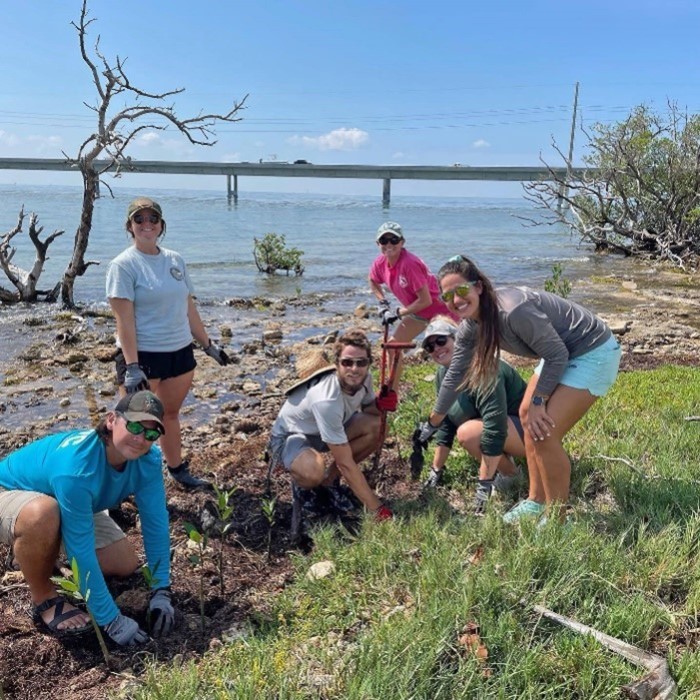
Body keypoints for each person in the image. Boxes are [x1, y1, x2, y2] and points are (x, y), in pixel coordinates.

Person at [419, 255, 621, 523]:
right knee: (527, 417)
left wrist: (539, 401)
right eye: (447, 297)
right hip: (557, 353)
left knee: (543, 432)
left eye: (461, 290)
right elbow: (455, 373)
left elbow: (557, 355)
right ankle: (536, 501)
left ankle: (557, 520)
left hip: (592, 352)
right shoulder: (471, 326)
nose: (456, 301)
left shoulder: (514, 311)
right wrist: (433, 422)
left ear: (478, 286)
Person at [0, 391, 174, 645]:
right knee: (42, 515)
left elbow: (155, 522)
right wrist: (111, 620)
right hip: (9, 492)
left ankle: (36, 553)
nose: (140, 438)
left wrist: (162, 590)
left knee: (123, 564)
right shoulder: (77, 468)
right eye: (135, 426)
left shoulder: (148, 460)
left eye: (150, 434)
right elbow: (81, 551)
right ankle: (44, 597)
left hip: (63, 499)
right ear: (112, 420)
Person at [106, 197, 231, 490]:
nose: (147, 225)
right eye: (140, 220)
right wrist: (133, 366)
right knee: (131, 424)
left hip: (180, 353)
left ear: (161, 225)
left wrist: (208, 345)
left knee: (169, 415)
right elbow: (123, 321)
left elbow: (188, 307)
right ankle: (115, 486)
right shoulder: (123, 266)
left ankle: (177, 470)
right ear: (130, 226)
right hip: (144, 356)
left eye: (153, 219)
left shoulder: (175, 260)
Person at [268, 329, 394, 534]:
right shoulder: (326, 398)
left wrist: (382, 403)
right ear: (337, 364)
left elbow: (370, 412)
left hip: (324, 432)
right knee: (312, 470)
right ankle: (304, 488)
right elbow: (345, 463)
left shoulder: (365, 379)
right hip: (292, 437)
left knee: (378, 427)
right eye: (347, 362)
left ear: (368, 363)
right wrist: (377, 508)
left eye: (361, 362)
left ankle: (329, 481)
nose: (355, 369)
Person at [420, 317, 527, 514]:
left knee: (468, 433)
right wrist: (436, 469)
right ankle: (503, 467)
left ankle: (511, 475)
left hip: (529, 432)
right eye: (429, 346)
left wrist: (484, 484)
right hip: (504, 432)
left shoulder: (484, 368)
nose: (436, 348)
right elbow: (446, 424)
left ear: (459, 339)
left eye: (441, 341)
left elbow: (495, 427)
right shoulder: (442, 376)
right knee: (466, 430)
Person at [368, 221, 457, 390]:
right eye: (384, 240)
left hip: (442, 311)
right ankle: (392, 391)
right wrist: (382, 303)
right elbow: (372, 280)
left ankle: (458, 389)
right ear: (378, 244)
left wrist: (399, 312)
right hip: (419, 313)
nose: (389, 245)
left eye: (394, 240)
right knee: (393, 347)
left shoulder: (409, 264)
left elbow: (426, 300)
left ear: (402, 242)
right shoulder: (380, 263)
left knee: (453, 352)